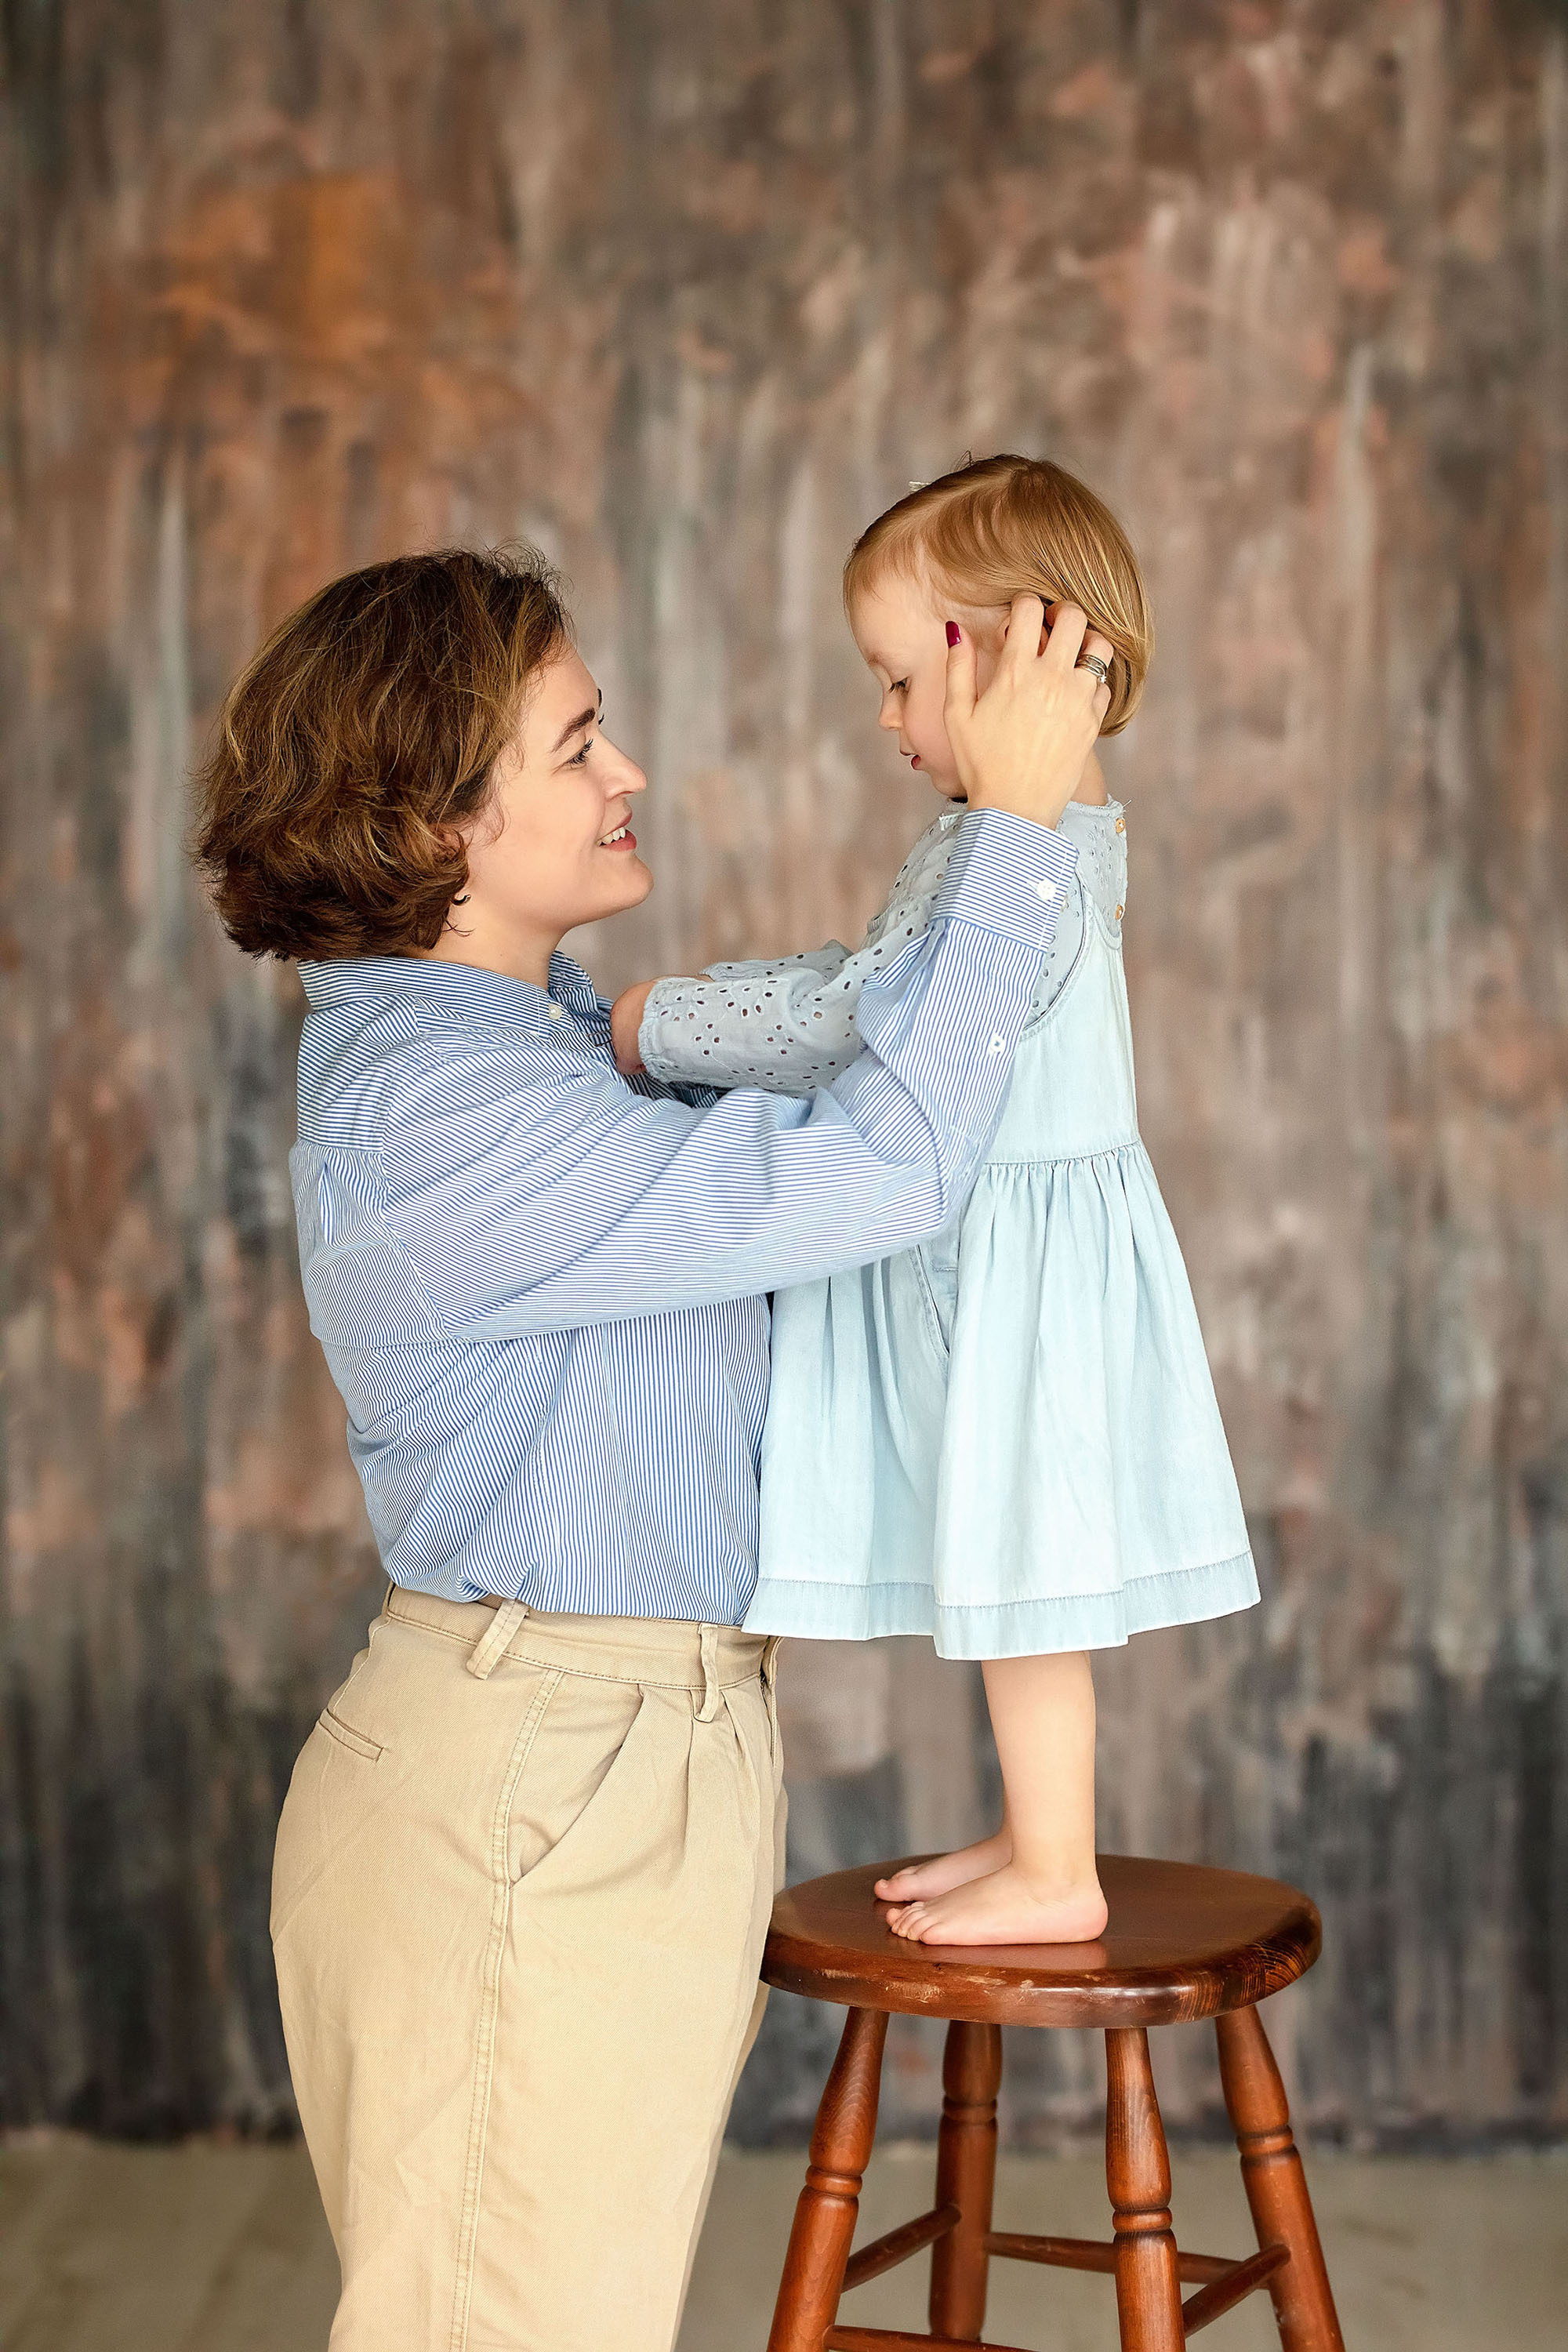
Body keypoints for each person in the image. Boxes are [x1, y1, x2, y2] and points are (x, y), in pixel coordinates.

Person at [191, 540, 1114, 2352]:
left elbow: (836, 1078)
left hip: (604, 1762)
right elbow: (885, 1171)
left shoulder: (525, 1043)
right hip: (537, 1784)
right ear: (437, 825)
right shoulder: (443, 1109)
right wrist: (1012, 831)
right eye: (575, 744)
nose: (626, 771)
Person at [613, 456, 1259, 1952]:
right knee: (1010, 1566)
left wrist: (664, 1023)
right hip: (1010, 1254)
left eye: (899, 679)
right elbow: (881, 989)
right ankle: (1036, 1835)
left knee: (1029, 1575)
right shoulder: (1044, 841)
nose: (888, 719)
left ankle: (1060, 1867)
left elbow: (863, 1017)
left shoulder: (1020, 862)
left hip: (1013, 1271)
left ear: (1008, 658)